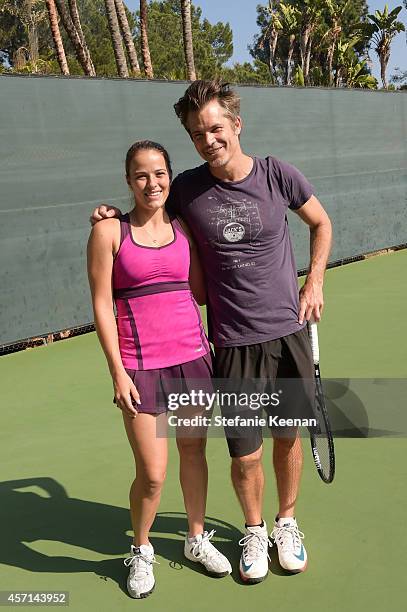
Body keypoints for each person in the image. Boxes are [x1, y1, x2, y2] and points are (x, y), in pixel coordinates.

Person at [91, 80, 332, 584]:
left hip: (287, 334)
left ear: (235, 125)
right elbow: (149, 211)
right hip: (231, 344)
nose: (208, 139)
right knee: (245, 452)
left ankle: (286, 523)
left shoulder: (276, 174)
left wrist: (315, 282)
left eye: (215, 128)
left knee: (288, 439)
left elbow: (321, 223)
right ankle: (252, 529)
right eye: (198, 133)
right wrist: (108, 216)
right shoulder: (186, 188)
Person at [87, 140, 232, 599]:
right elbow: (101, 305)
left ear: (171, 177)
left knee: (194, 451)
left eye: (160, 174)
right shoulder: (109, 232)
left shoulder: (186, 229)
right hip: (140, 367)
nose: (153, 183)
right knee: (152, 473)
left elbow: (202, 293)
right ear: (129, 181)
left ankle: (195, 538)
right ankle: (143, 548)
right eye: (141, 175)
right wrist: (117, 371)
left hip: (192, 358)